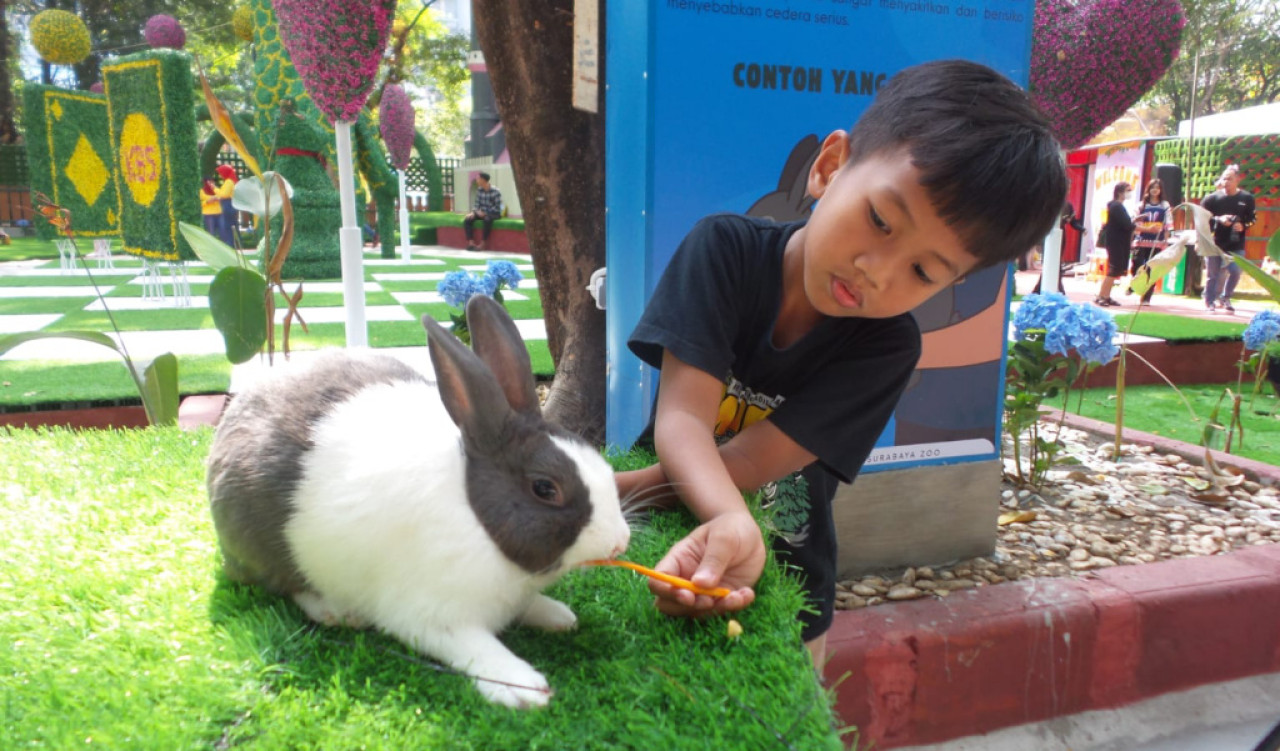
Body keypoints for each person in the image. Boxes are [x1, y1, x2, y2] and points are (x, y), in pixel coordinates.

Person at [614, 59, 1067, 664]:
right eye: (879, 220)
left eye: (923, 272)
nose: (875, 272)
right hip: (659, 536)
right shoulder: (722, 250)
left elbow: (752, 459)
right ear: (830, 167)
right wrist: (645, 504)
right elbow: (683, 420)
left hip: (790, 576)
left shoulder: (888, 346)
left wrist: (618, 493)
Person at [1201, 165, 1255, 314]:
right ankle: (1209, 301)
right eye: (1224, 178)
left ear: (1238, 179)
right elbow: (1202, 219)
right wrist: (1219, 219)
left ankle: (1226, 297)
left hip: (1236, 242)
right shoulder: (1212, 199)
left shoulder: (1247, 198)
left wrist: (1243, 225)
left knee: (1235, 271)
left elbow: (1252, 219)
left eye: (1230, 179)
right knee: (1213, 274)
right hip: (1214, 242)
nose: (1226, 182)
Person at [1127, 178, 1172, 304]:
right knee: (1137, 265)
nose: (1155, 190)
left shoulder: (1165, 206)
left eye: (1157, 188)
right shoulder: (1141, 205)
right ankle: (1134, 284)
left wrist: (1166, 241)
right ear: (1148, 189)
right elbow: (1133, 221)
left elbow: (1168, 224)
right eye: (1152, 187)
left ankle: (1146, 297)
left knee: (1152, 269)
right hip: (1141, 240)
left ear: (1161, 190)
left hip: (1157, 242)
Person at [1095, 182, 1133, 307]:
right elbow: (1126, 224)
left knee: (1116, 270)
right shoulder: (1116, 206)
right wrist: (1147, 229)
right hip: (1116, 242)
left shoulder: (1118, 206)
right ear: (1120, 192)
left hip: (1118, 241)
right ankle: (1101, 296)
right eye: (1128, 190)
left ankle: (1106, 295)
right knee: (1113, 269)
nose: (1129, 193)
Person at [462, 172, 503, 250]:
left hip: (494, 213)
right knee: (468, 219)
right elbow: (477, 204)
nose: (476, 180)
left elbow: (497, 207)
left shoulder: (496, 191)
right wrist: (474, 212)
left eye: (478, 179)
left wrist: (485, 213)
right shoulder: (479, 190)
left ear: (483, 180)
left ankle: (483, 244)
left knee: (487, 220)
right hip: (481, 213)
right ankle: (471, 243)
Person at [215, 164, 239, 249]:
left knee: (228, 227)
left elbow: (224, 194)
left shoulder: (229, 182)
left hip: (228, 205)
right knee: (231, 226)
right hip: (229, 205)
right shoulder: (229, 181)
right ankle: (233, 245)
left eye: (221, 172)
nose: (220, 175)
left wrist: (214, 188)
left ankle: (230, 246)